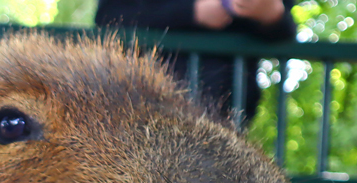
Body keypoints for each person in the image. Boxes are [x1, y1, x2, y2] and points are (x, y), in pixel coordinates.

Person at [96, 0, 298, 126]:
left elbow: (285, 31)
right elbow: (109, 17)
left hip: (228, 107)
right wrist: (192, 12)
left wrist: (272, 14)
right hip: (145, 102)